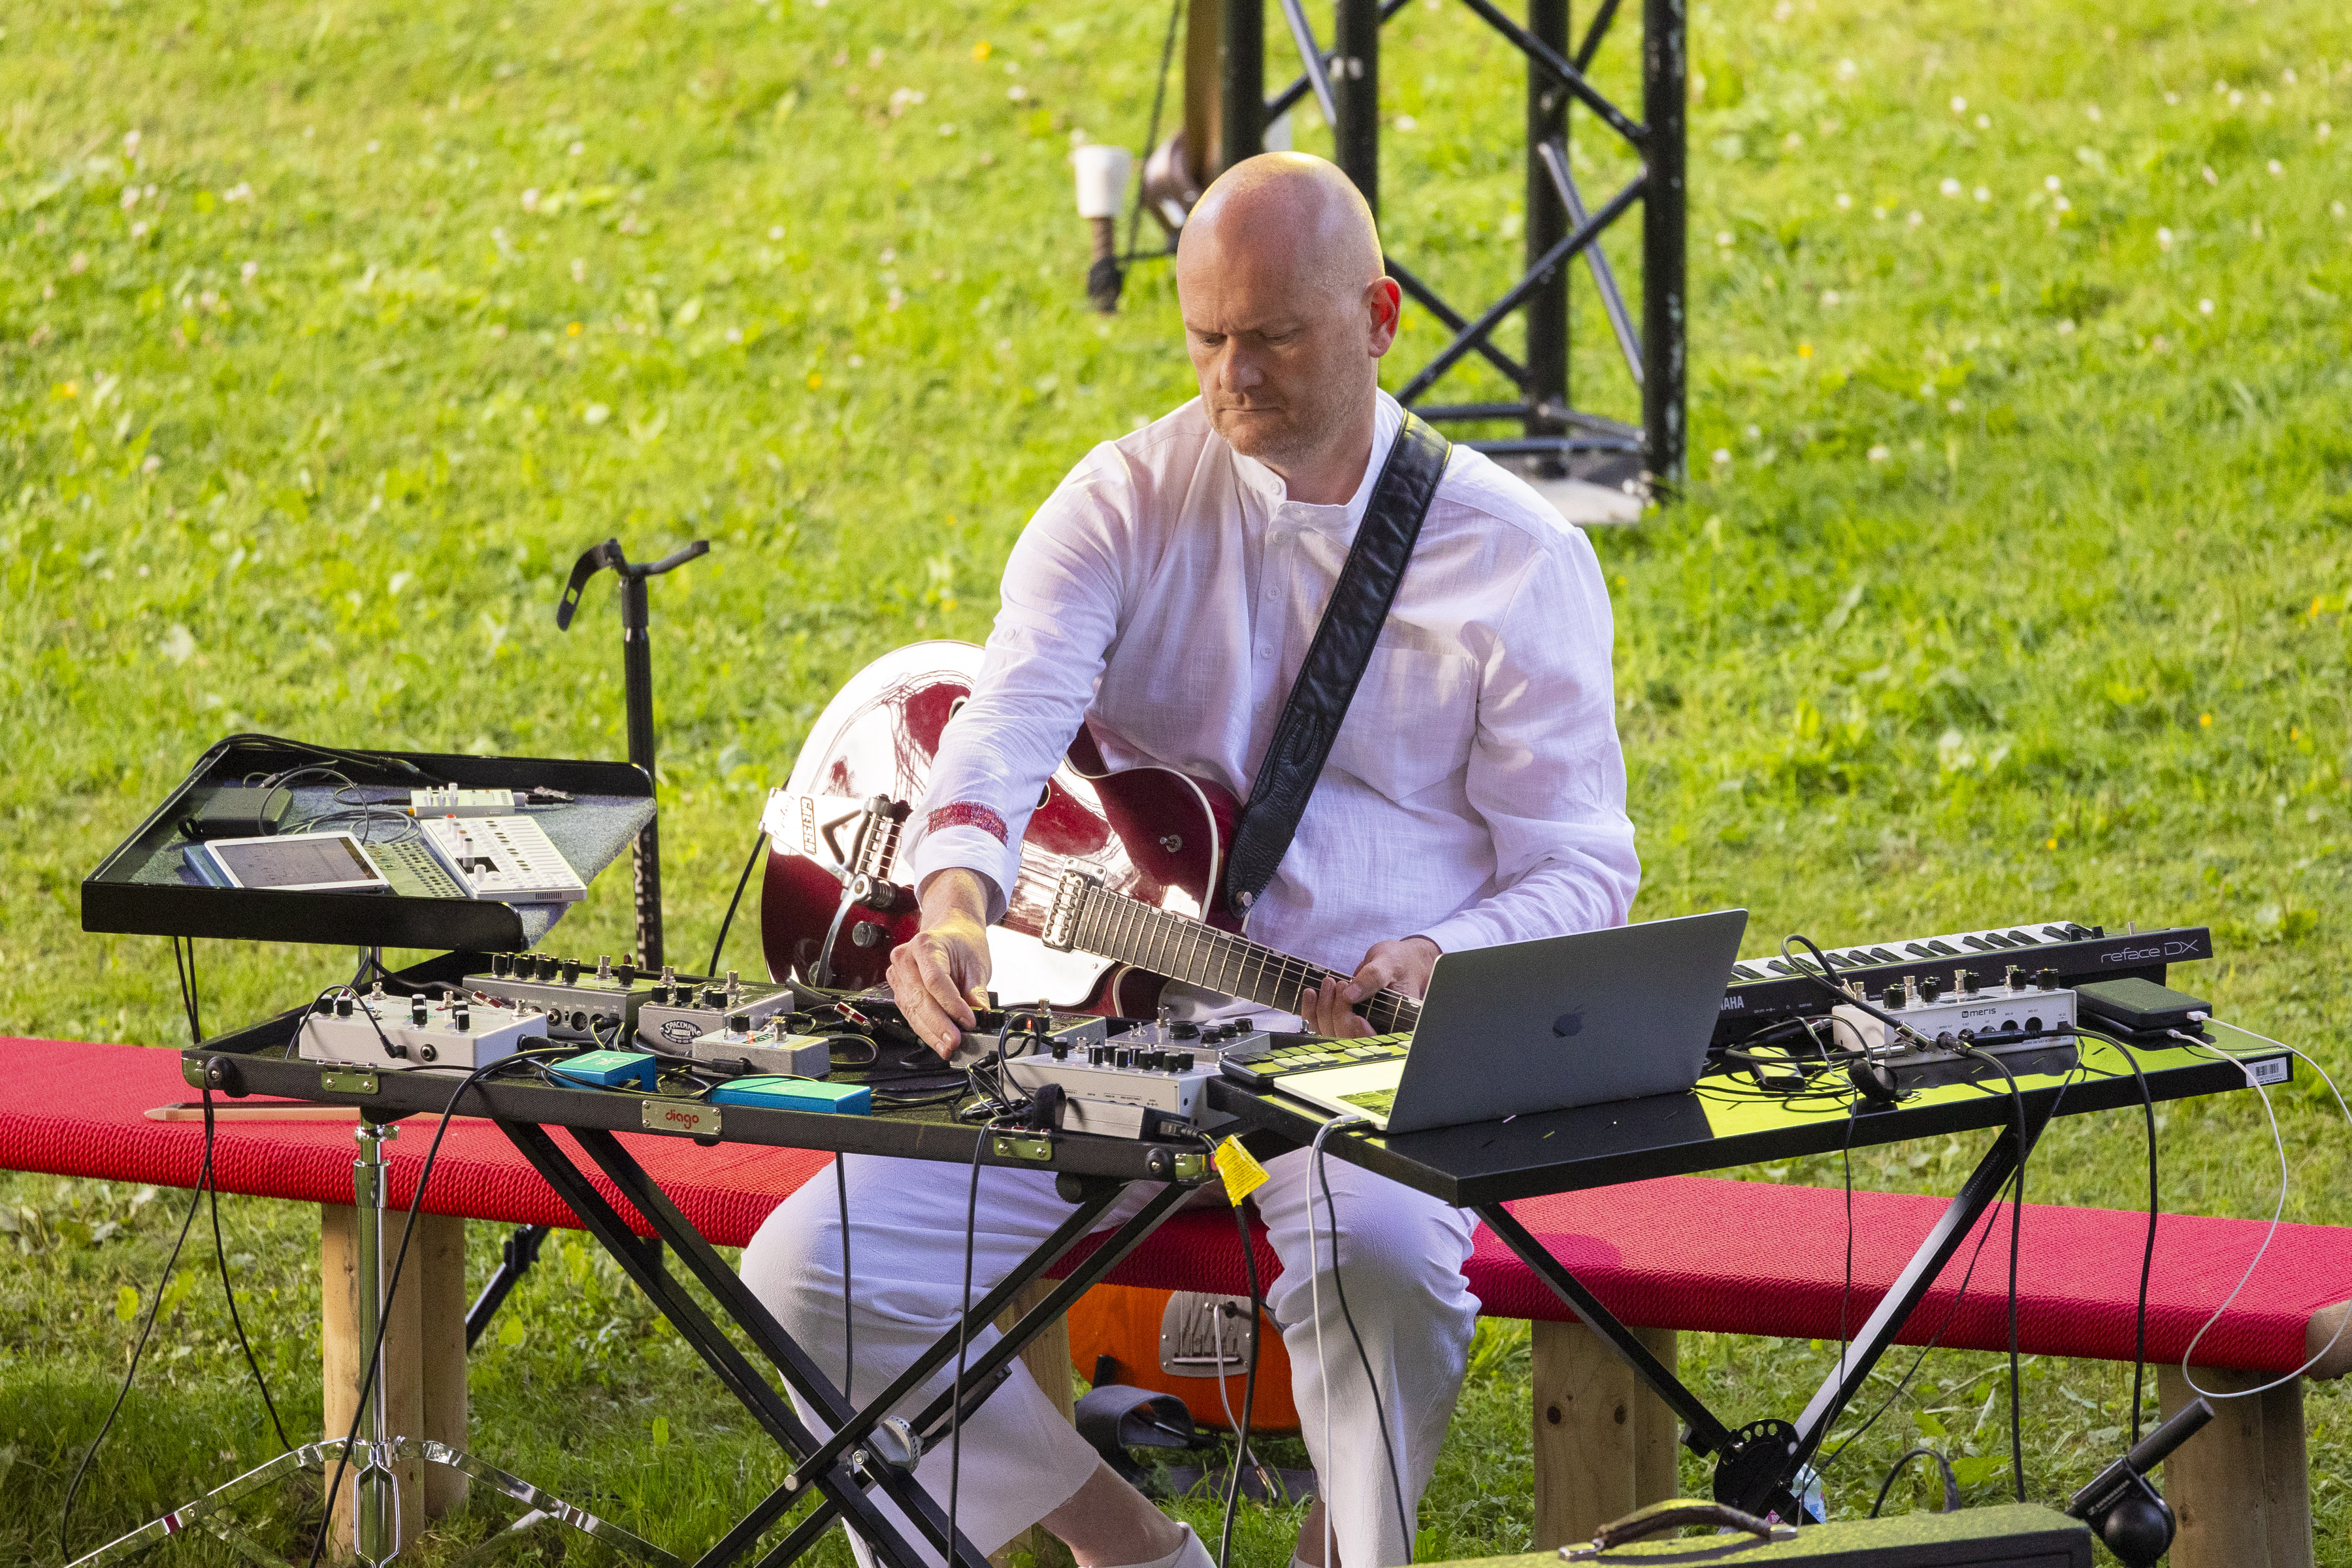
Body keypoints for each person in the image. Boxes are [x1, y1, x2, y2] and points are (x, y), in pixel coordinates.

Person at [740, 150, 1638, 1568]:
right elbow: (1004, 720)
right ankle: (1130, 1546)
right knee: (806, 1274)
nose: (1235, 376)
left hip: (1362, 1059)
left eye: (1274, 335)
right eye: (1207, 338)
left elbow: (1583, 868)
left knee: (1389, 1267)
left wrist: (1435, 958)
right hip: (1113, 1033)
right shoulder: (1123, 501)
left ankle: (1348, 1554)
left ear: (1381, 317)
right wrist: (957, 904)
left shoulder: (1516, 556)